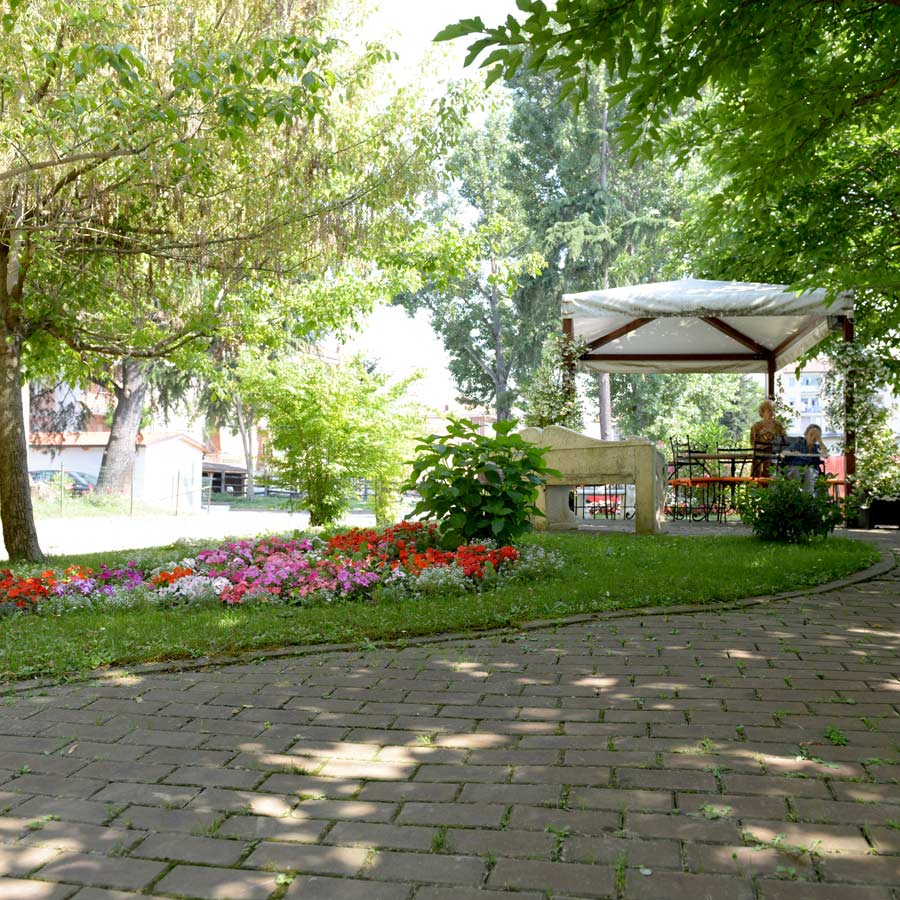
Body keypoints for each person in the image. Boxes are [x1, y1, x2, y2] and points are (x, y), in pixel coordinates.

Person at [784, 424, 827, 492]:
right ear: (806, 435)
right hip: (796, 468)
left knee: (809, 472)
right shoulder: (799, 443)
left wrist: (820, 441)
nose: (813, 438)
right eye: (811, 434)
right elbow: (784, 452)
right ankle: (797, 495)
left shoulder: (817, 447)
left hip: (811, 470)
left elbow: (825, 455)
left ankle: (807, 497)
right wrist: (793, 453)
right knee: (795, 471)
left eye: (816, 436)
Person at [749, 399, 786, 478]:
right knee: (758, 477)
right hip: (759, 459)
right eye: (769, 410)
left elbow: (785, 441)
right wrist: (765, 445)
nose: (772, 413)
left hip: (775, 458)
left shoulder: (778, 426)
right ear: (762, 412)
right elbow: (753, 445)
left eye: (774, 410)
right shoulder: (756, 427)